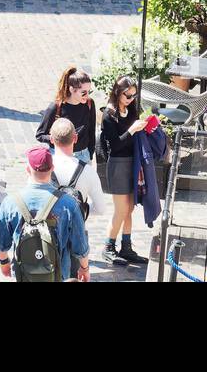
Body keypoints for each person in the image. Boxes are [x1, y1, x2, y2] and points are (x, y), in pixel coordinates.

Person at [0, 145, 89, 281]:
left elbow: (2, 242)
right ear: (52, 168)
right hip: (57, 273)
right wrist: (84, 268)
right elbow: (80, 244)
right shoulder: (68, 204)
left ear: (28, 170)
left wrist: (4, 262)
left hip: (24, 274)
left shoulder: (10, 202)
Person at [98, 75, 146, 266]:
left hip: (132, 162)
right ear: (118, 93)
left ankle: (126, 247)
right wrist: (133, 130)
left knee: (130, 208)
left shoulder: (131, 109)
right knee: (121, 209)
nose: (131, 99)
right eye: (128, 95)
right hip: (117, 163)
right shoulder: (109, 115)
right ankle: (108, 247)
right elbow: (115, 146)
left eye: (134, 95)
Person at [49, 118, 107, 220]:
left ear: (51, 139)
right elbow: (100, 209)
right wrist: (80, 208)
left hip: (48, 232)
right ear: (75, 138)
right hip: (76, 232)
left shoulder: (42, 168)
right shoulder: (88, 171)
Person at [35, 66, 97, 160]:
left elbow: (91, 130)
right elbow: (40, 135)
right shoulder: (56, 107)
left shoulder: (89, 104)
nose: (87, 96)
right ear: (72, 89)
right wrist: (57, 138)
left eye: (89, 91)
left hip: (83, 155)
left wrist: (90, 153)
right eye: (84, 92)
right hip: (59, 155)